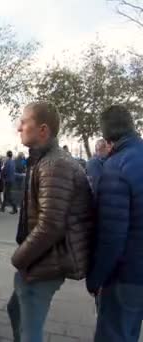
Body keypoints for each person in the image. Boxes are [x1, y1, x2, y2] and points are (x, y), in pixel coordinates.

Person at [7, 102, 94, 342]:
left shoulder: (55, 165)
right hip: (39, 259)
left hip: (45, 263)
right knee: (16, 312)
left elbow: (51, 225)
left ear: (43, 130)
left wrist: (19, 259)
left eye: (24, 122)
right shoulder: (43, 161)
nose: (19, 127)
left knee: (29, 331)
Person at [87, 105, 143, 342]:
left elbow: (112, 235)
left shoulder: (116, 166)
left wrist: (96, 278)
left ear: (106, 133)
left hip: (126, 275)